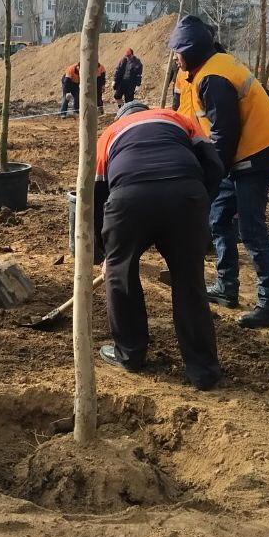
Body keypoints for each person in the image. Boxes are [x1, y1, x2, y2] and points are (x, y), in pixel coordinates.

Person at [93, 100, 225, 389]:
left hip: (129, 200)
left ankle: (130, 354)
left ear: (122, 116)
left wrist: (105, 252)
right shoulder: (177, 118)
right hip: (185, 196)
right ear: (147, 111)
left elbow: (97, 194)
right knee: (189, 281)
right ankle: (202, 371)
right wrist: (200, 199)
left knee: (120, 274)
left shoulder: (110, 133)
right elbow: (214, 164)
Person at [170, 15, 269, 328]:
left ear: (192, 51)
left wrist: (211, 175)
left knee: (251, 228)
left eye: (178, 52)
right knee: (218, 219)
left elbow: (225, 133)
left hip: (254, 156)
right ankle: (227, 287)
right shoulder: (208, 68)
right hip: (238, 157)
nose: (175, 58)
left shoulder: (214, 77)